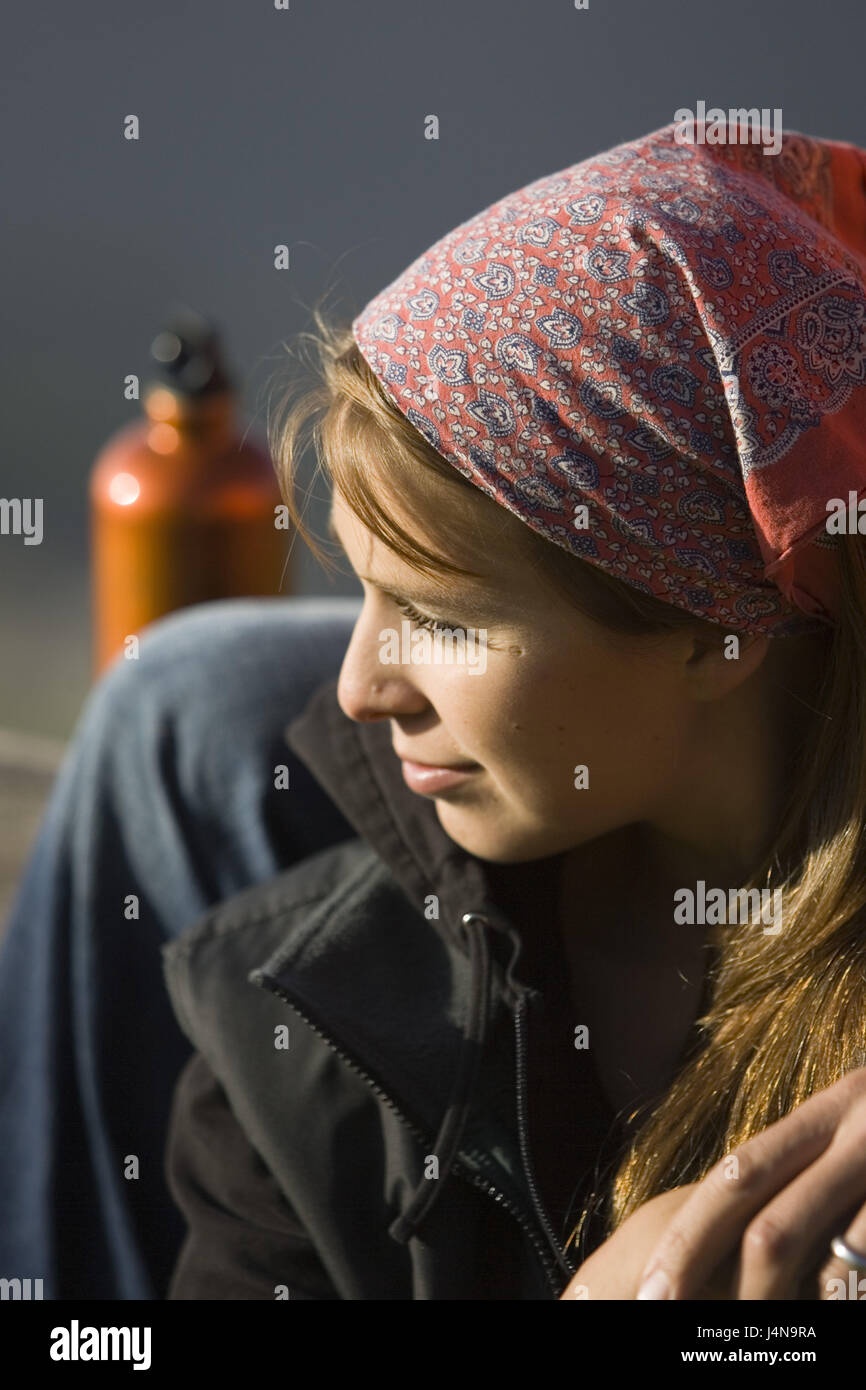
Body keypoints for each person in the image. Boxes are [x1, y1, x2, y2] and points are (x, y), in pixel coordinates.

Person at [4, 116, 866, 1301]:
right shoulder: (303, 1035)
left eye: (444, 619)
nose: (356, 688)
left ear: (712, 634)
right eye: (358, 593)